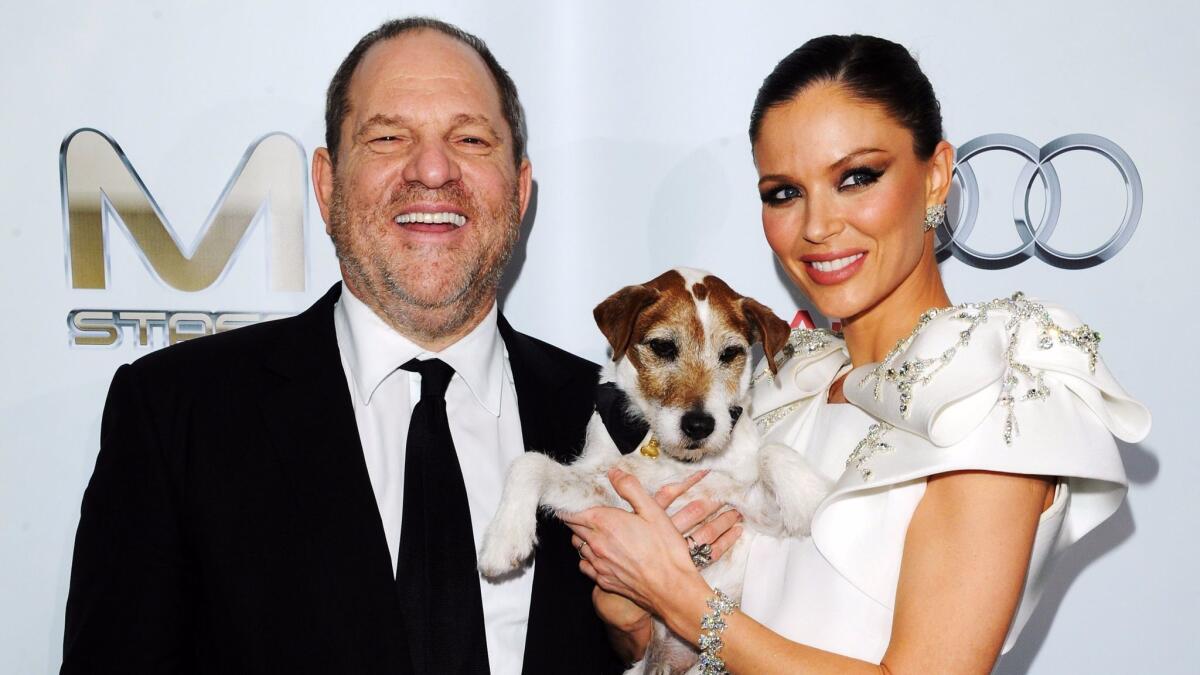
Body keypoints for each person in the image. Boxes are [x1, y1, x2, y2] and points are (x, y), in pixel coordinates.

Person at [565, 34, 1151, 673]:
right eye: (784, 192)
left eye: (857, 177)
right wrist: (631, 610)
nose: (817, 225)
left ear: (935, 178)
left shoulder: (985, 394)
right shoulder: (778, 391)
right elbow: (687, 647)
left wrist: (680, 599)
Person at [61, 17, 623, 675]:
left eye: (469, 139)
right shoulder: (178, 414)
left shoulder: (618, 419)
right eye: (388, 138)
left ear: (521, 191)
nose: (434, 169)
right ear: (326, 185)